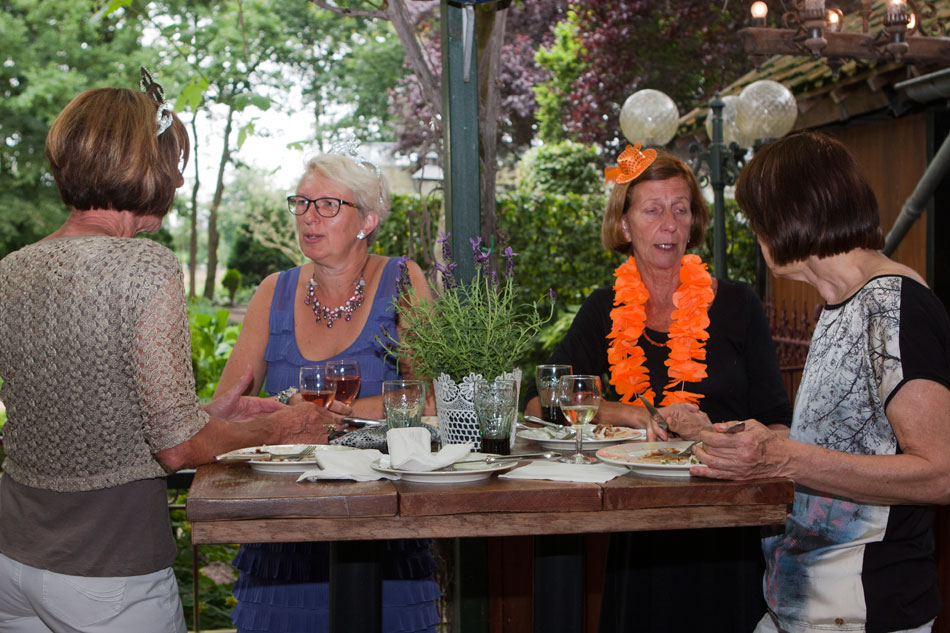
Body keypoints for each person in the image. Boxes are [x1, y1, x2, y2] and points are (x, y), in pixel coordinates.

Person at [0, 74, 343, 633]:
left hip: (12, 560)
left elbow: (81, 416)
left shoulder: (11, 269)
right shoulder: (144, 265)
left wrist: (209, 415)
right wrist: (282, 426)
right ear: (139, 167)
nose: (179, 179)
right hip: (108, 573)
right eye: (171, 163)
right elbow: (177, 449)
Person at [523, 144, 793, 633]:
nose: (669, 224)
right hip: (637, 525)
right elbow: (541, 403)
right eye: (652, 210)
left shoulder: (738, 304)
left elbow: (778, 423)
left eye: (680, 209)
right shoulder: (604, 308)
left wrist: (718, 432)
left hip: (726, 525)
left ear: (693, 222)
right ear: (625, 225)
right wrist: (626, 413)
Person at [694, 131, 950, 633]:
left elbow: (941, 473)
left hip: (865, 609)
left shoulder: (892, 304)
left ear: (790, 216)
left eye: (757, 219)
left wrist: (783, 457)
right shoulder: (841, 304)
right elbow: (845, 444)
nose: (757, 235)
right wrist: (741, 440)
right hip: (799, 608)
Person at [214, 149, 439, 633]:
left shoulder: (403, 280)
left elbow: (428, 399)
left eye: (327, 205)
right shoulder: (272, 291)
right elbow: (226, 407)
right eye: (301, 203)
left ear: (367, 220)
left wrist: (333, 414)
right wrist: (282, 410)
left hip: (383, 531)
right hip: (282, 536)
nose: (308, 217)